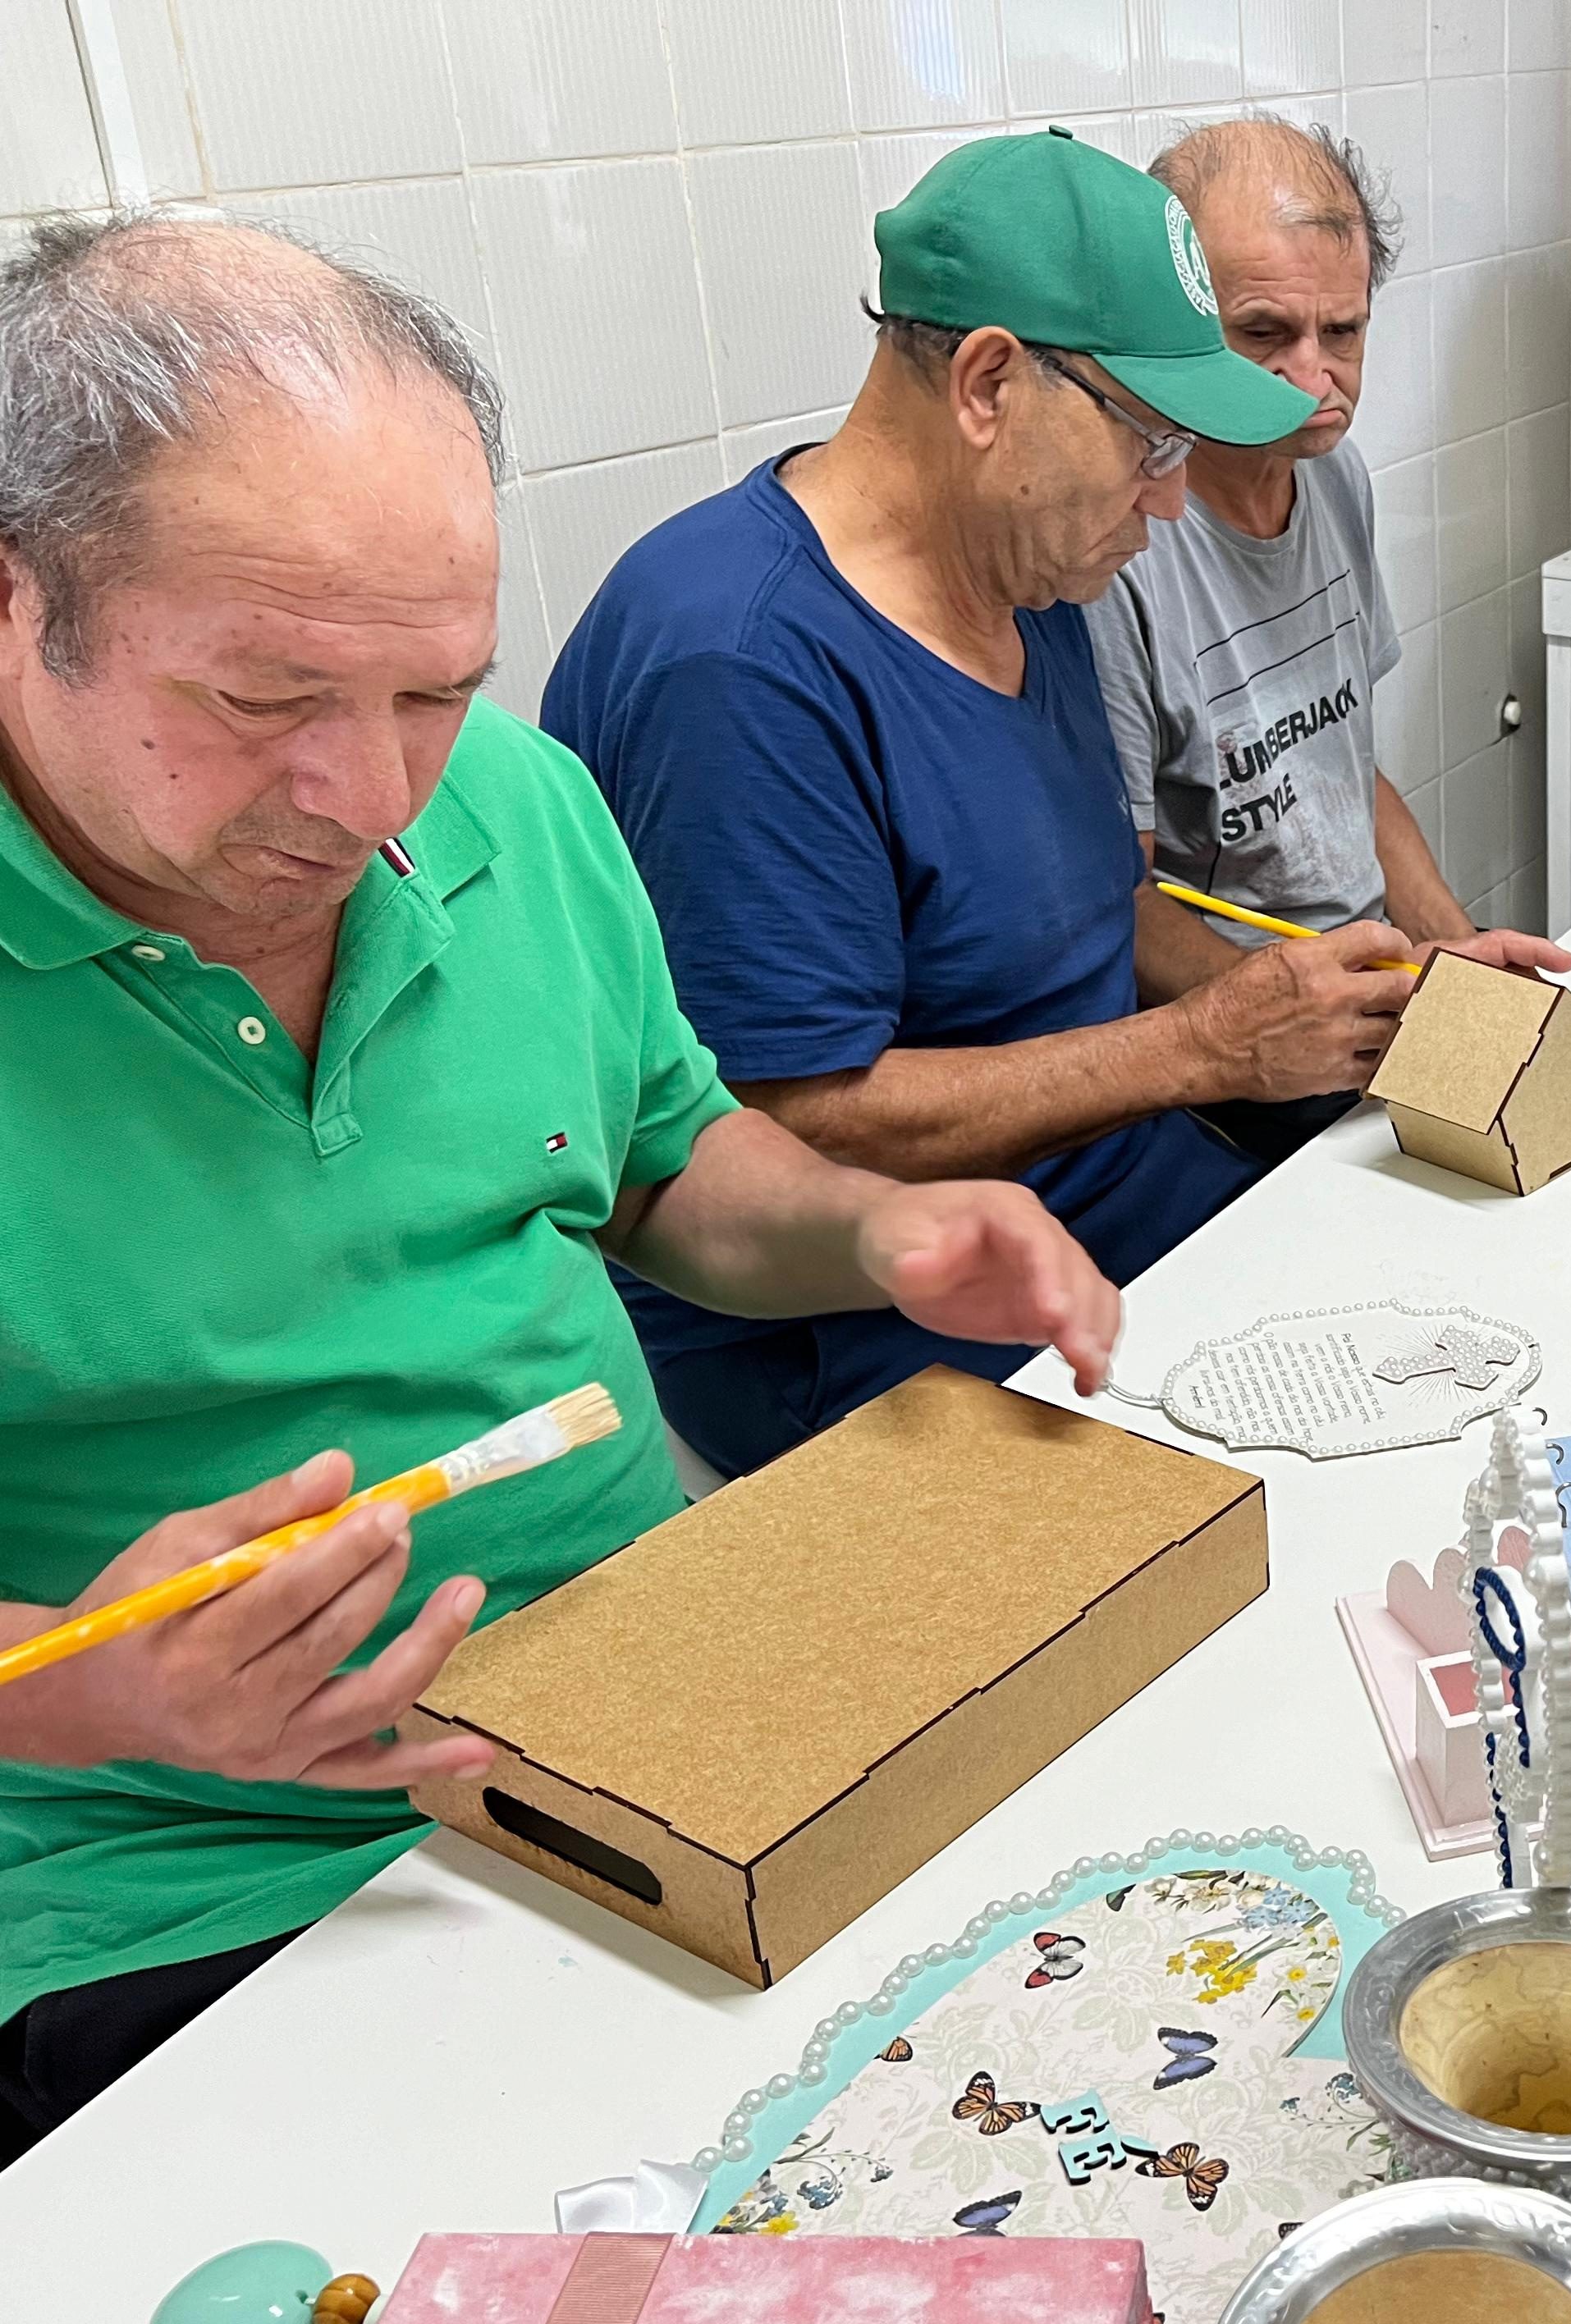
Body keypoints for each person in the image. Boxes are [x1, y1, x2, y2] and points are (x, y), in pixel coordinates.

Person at [0, 215, 1122, 2162]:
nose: (375, 801)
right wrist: (76, 1692)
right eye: (267, 700)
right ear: (20, 608)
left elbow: (669, 1167)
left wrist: (868, 1230)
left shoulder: (516, 804)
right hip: (195, 1889)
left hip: (657, 1719)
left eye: (435, 689)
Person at [546, 130, 1418, 1476]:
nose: (1171, 501)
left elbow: (1092, 910)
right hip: (876, 1319)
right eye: (1151, 442)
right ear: (990, 383)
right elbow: (783, 1126)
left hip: (1114, 1196)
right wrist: (1200, 1050)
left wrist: (1318, 999)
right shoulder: (740, 663)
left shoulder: (1033, 576)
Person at [1095, 117, 1571, 1166]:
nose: (1315, 377)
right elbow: (1118, 911)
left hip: (1362, 1002)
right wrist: (1294, 1015)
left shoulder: (1334, 476)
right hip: (1237, 1064)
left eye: (1343, 332)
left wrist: (1450, 947)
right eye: (1264, 334)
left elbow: (1344, 770)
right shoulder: (1120, 554)